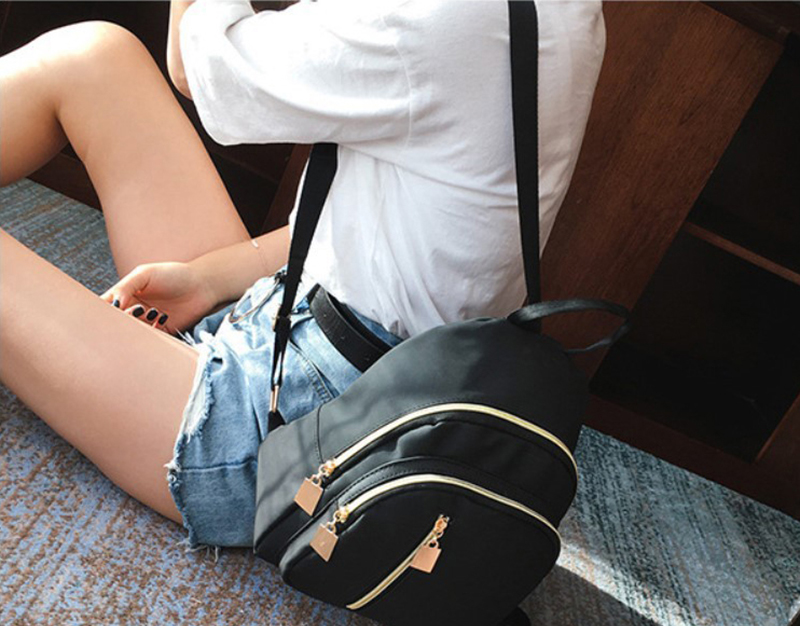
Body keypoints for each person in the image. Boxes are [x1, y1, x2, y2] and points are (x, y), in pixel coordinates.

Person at [0, 0, 605, 549]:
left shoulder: (442, 19)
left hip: (288, 439)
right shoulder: (563, 13)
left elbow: (197, 63)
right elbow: (378, 232)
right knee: (93, 60)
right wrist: (209, 279)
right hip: (303, 326)